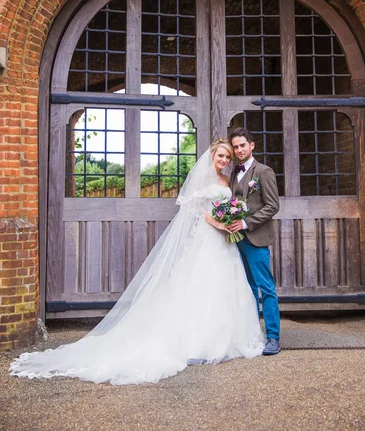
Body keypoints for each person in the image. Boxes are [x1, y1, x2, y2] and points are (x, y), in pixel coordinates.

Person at [10, 139, 264, 385]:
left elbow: (229, 204)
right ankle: (196, 341)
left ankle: (225, 340)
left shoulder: (227, 179)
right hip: (205, 236)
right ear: (211, 155)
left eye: (228, 156)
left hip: (223, 240)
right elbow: (197, 209)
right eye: (221, 155)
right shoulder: (202, 177)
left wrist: (231, 219)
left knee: (222, 285)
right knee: (197, 283)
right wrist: (219, 223)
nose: (225, 159)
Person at [228, 128, 281, 355]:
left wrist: (246, 223)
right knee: (245, 288)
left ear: (252, 145)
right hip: (235, 240)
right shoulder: (233, 173)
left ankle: (273, 338)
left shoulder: (264, 172)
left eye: (242, 145)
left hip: (256, 238)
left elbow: (272, 206)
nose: (239, 150)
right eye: (236, 147)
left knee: (265, 288)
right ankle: (251, 334)